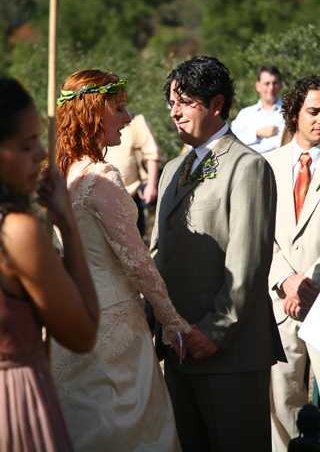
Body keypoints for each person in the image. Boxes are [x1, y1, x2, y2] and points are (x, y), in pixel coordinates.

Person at [147, 56, 286, 452]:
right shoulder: (173, 168)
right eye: (171, 103)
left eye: (185, 101)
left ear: (217, 104)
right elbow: (159, 252)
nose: (174, 112)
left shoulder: (247, 166)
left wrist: (215, 330)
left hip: (230, 353)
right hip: (176, 352)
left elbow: (249, 261)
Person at [52, 69, 191, 452]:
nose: (129, 119)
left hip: (72, 320)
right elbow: (139, 264)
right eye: (120, 108)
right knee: (136, 433)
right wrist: (175, 323)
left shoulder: (64, 174)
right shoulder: (101, 176)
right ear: (94, 112)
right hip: (116, 331)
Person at [0, 77, 99, 451]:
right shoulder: (17, 234)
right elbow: (83, 333)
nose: (42, 155)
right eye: (27, 145)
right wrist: (69, 228)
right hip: (13, 408)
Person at [264, 76, 320, 452]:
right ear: (294, 113)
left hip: (319, 298)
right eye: (313, 111)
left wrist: (311, 283)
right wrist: (286, 279)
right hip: (279, 306)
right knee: (281, 403)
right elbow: (257, 235)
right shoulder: (265, 164)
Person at [106, 112, 161, 238]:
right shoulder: (95, 120)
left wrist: (152, 185)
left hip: (131, 195)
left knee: (134, 241)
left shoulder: (136, 121)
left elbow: (151, 154)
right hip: (100, 197)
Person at [232, 65, 285, 153]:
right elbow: (232, 140)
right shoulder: (245, 114)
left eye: (275, 83)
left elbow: (282, 144)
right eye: (267, 83)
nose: (271, 88)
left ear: (280, 85)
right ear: (258, 86)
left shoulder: (288, 114)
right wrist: (258, 134)